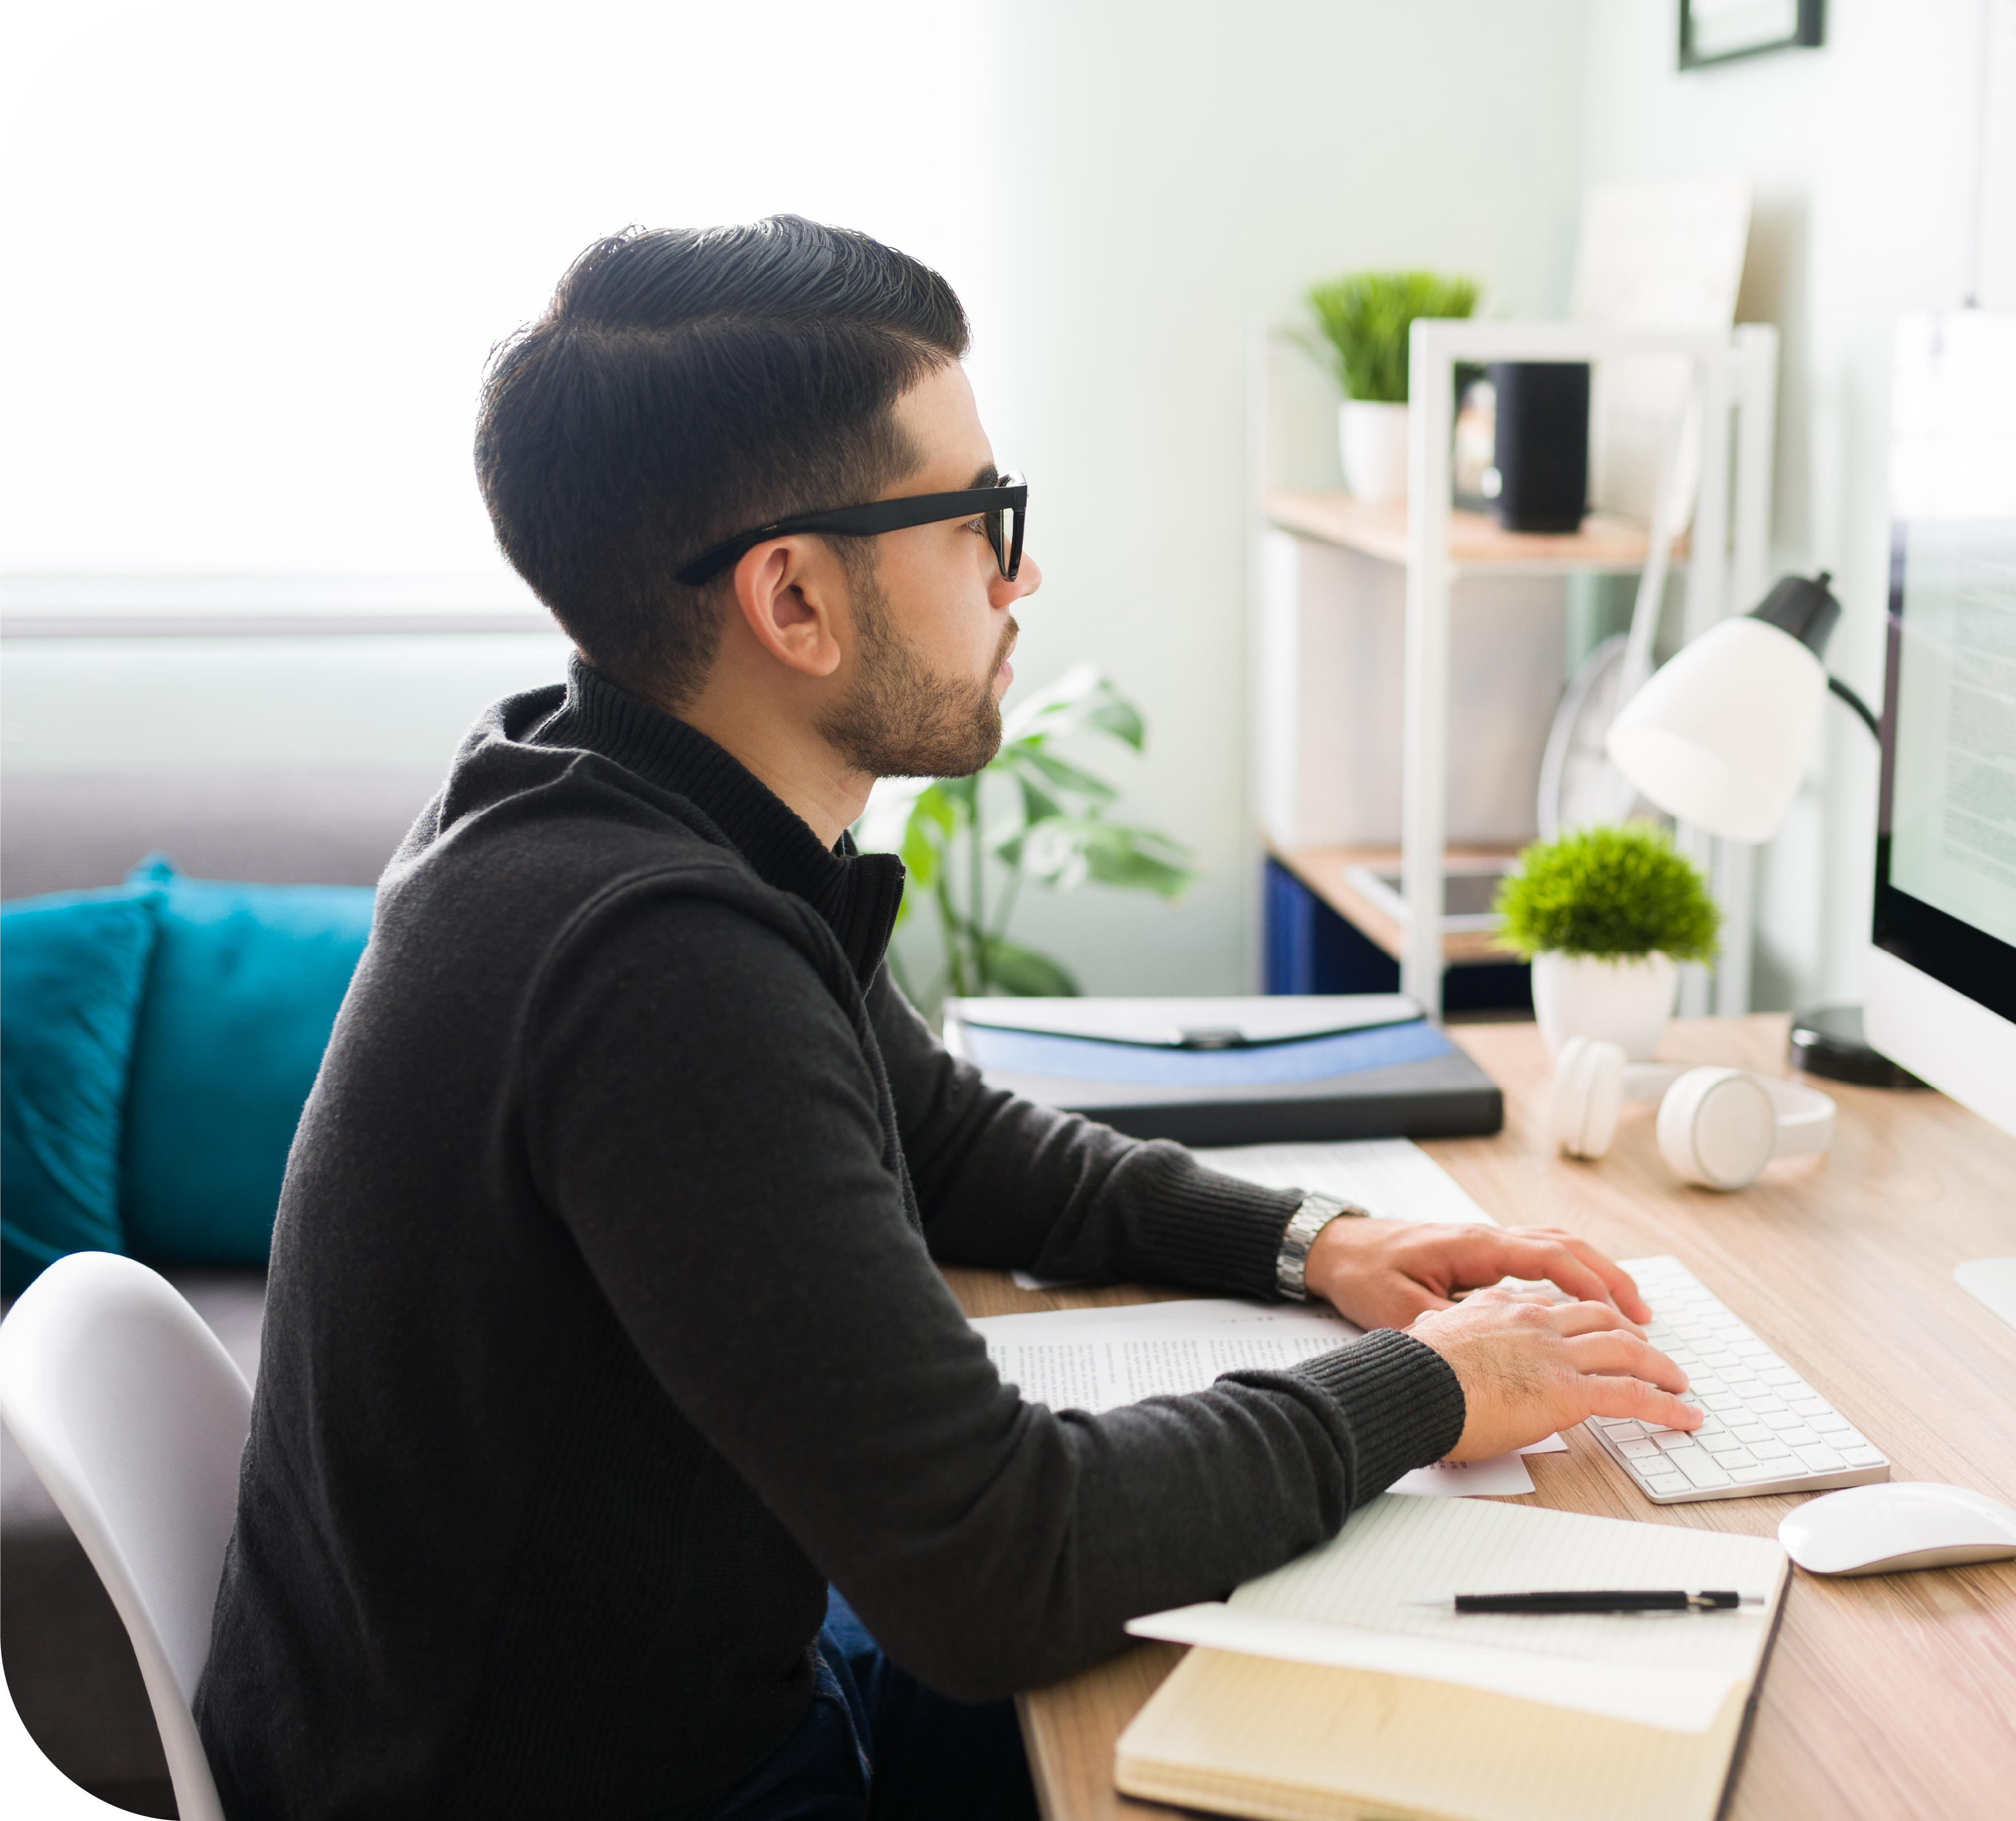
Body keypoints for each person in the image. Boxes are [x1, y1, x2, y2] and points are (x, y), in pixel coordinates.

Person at [192, 215, 1699, 1821]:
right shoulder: (649, 960)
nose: (1019, 569)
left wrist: (1318, 1246)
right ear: (794, 600)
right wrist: (1435, 1386)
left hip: (619, 1687)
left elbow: (944, 1130)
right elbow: (992, 1564)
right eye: (982, 516)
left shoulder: (611, 797)